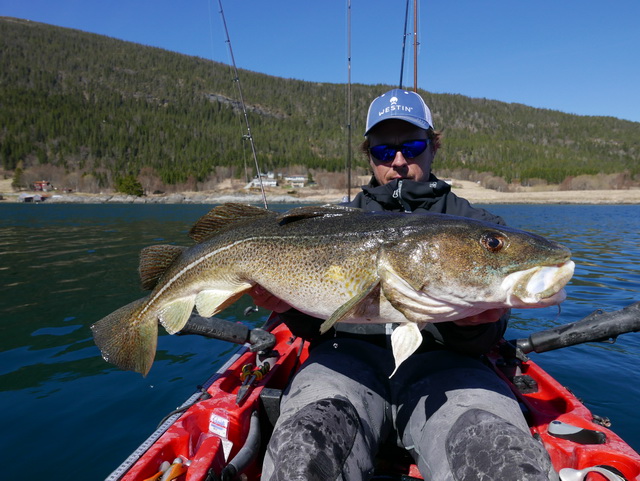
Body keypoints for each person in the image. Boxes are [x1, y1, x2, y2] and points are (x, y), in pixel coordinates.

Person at [250, 89, 558, 481]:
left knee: (501, 460)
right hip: (345, 361)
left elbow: (485, 338)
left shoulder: (482, 228)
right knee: (302, 454)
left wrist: (476, 325)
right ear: (370, 157)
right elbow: (316, 330)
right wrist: (287, 306)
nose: (398, 161)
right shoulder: (331, 224)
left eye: (412, 146)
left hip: (451, 367)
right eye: (383, 152)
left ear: (432, 147)